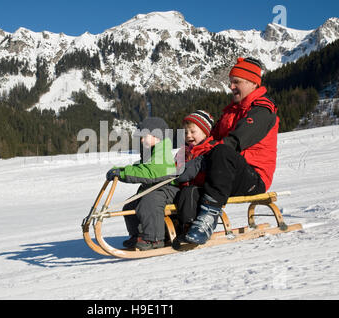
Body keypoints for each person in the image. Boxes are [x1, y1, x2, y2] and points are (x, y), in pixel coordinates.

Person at [177, 57, 279, 245]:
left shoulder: (263, 110)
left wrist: (204, 158)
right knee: (188, 187)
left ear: (253, 83)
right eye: (230, 82)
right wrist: (190, 155)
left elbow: (235, 142)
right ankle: (181, 227)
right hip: (224, 174)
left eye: (236, 82)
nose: (231, 87)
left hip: (253, 177)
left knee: (222, 151)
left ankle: (208, 218)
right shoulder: (230, 111)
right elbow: (210, 139)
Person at [106, 117, 178, 251]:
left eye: (144, 136)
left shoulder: (162, 155)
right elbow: (140, 167)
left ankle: (154, 239)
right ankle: (137, 235)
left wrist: (122, 174)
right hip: (156, 190)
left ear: (157, 136)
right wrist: (120, 170)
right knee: (131, 205)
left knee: (149, 203)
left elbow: (149, 172)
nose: (141, 140)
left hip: (167, 190)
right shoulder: (152, 154)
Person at [173, 110, 215, 239]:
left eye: (192, 132)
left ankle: (189, 226)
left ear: (205, 132)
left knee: (189, 192)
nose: (188, 135)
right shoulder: (183, 152)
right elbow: (175, 169)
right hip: (184, 188)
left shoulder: (210, 149)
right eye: (185, 132)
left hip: (202, 189)